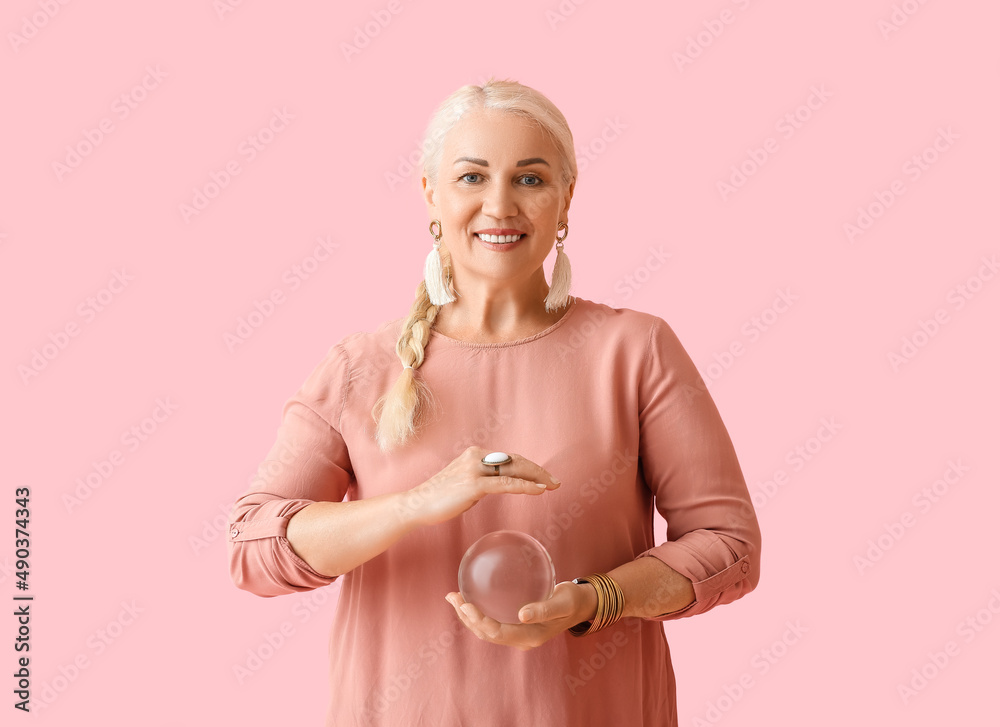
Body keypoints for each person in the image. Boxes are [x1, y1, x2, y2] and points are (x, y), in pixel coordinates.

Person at [228, 77, 762, 727]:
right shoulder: (359, 368)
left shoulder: (635, 349)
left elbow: (729, 546)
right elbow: (255, 547)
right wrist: (414, 504)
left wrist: (598, 599)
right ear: (431, 194)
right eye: (473, 177)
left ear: (567, 198)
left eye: (530, 179)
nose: (500, 204)